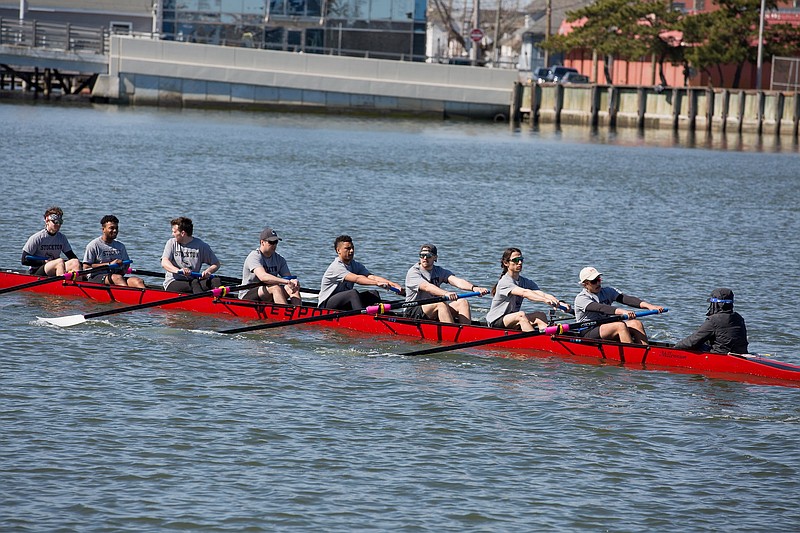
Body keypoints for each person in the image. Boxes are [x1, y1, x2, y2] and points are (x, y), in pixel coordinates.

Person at [485, 247, 570, 331]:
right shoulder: (505, 282)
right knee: (521, 315)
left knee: (540, 315)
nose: (520, 262)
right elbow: (524, 292)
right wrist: (544, 300)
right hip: (496, 321)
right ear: (506, 263)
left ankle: (549, 341)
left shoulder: (524, 281)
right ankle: (536, 342)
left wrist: (559, 303)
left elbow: (541, 293)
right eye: (515, 260)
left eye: (521, 259)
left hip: (512, 320)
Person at [573, 266, 664, 344]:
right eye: (594, 281)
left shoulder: (607, 291)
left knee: (636, 323)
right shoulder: (581, 298)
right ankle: (632, 354)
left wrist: (650, 306)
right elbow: (601, 308)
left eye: (599, 279)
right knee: (619, 325)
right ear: (585, 284)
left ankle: (645, 351)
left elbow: (627, 299)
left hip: (606, 327)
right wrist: (623, 312)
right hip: (588, 331)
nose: (598, 283)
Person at [404, 244, 489, 324]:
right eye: (422, 255)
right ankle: (453, 334)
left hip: (432, 308)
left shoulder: (439, 271)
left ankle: (467, 332)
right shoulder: (414, 272)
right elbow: (427, 287)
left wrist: (474, 288)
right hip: (413, 309)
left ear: (435, 257)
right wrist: (446, 293)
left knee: (463, 302)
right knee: (441, 304)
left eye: (428, 255)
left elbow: (457, 281)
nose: (425, 258)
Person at [318, 235, 404, 310]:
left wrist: (392, 284)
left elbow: (371, 277)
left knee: (373, 293)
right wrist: (377, 283)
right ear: (338, 250)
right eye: (347, 248)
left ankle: (379, 317)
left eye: (352, 248)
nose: (351, 251)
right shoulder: (336, 267)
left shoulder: (354, 265)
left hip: (343, 303)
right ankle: (363, 319)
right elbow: (357, 279)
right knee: (353, 293)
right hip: (327, 305)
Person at [674, 288, 749, 354]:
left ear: (715, 304)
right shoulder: (738, 317)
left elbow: (693, 341)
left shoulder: (714, 320)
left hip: (720, 355)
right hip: (740, 353)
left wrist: (675, 348)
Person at [239, 227, 300, 305]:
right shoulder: (254, 256)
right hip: (248, 294)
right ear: (262, 242)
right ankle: (283, 314)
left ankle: (298, 312)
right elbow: (263, 277)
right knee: (275, 288)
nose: (274, 245)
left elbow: (288, 277)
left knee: (293, 288)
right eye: (271, 242)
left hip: (267, 292)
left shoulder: (279, 259)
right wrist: (286, 281)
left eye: (276, 242)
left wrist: (293, 282)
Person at [160, 216, 222, 293]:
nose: (172, 234)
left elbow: (216, 264)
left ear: (183, 233)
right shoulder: (171, 243)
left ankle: (222, 301)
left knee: (215, 280)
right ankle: (203, 303)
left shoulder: (201, 246)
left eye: (174, 232)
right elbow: (164, 263)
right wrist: (178, 271)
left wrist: (208, 271)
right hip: (174, 282)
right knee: (194, 283)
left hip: (193, 281)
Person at [82, 215, 145, 288]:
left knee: (138, 281)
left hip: (116, 276)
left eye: (116, 228)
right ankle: (126, 296)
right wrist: (109, 264)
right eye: (111, 228)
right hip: (96, 277)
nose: (115, 230)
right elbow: (86, 267)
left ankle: (147, 297)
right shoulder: (93, 245)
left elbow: (127, 263)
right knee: (117, 278)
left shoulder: (120, 246)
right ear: (103, 229)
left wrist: (122, 271)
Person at [21, 206, 81, 277]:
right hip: (37, 270)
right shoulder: (37, 238)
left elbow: (71, 256)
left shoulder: (62, 238)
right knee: (59, 261)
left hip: (55, 267)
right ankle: (62, 285)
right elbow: (24, 260)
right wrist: (43, 262)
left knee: (75, 262)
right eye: (55, 222)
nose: (58, 225)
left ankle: (78, 285)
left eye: (60, 222)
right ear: (47, 221)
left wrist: (83, 266)